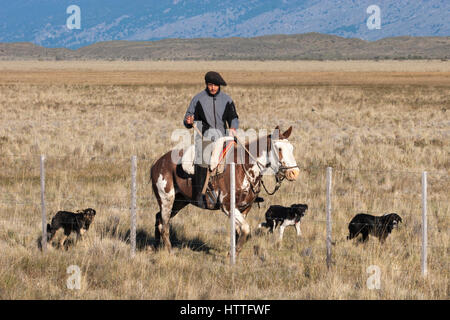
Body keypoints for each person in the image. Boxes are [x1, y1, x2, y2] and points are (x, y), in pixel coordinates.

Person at [183, 71, 239, 208]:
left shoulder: (227, 100)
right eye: (210, 85)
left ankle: (243, 193)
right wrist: (188, 121)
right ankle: (200, 195)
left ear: (220, 85)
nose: (213, 87)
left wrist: (233, 128)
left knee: (239, 158)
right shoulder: (198, 99)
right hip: (204, 138)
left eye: (215, 85)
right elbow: (188, 118)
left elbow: (234, 117)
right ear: (206, 85)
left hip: (224, 137)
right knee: (203, 161)